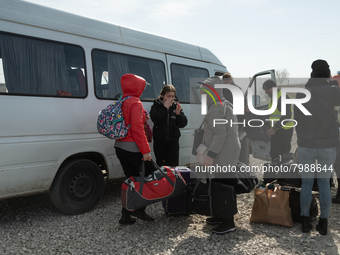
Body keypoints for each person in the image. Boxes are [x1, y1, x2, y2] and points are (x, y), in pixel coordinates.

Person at [295, 59, 340, 235]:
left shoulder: (302, 93)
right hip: (327, 146)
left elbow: (296, 120)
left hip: (306, 145)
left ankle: (305, 221)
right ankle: (323, 223)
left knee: (306, 184)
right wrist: (332, 83)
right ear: (327, 73)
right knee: (324, 184)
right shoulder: (333, 91)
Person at [200, 76, 241, 235]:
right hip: (229, 151)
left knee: (223, 186)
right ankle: (220, 215)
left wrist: (210, 155)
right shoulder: (224, 103)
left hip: (223, 153)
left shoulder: (216, 107)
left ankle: (228, 221)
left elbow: (220, 134)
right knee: (222, 184)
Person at [114, 73, 154, 225]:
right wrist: (146, 151)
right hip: (133, 148)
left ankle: (126, 215)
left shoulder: (122, 100)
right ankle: (139, 209)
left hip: (119, 146)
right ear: (137, 87)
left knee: (131, 180)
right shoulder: (135, 102)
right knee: (148, 177)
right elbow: (137, 129)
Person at [150, 85, 187, 167]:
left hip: (173, 142)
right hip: (160, 142)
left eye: (173, 96)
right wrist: (165, 107)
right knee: (162, 165)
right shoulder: (156, 105)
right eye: (168, 96)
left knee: (173, 165)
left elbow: (183, 124)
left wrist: (178, 114)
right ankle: (162, 180)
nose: (171, 98)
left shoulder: (175, 106)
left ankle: (173, 180)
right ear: (163, 95)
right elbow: (155, 119)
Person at [263, 79, 294, 163]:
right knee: (274, 154)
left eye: (267, 89)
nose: (265, 92)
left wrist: (273, 129)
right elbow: (272, 115)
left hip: (284, 131)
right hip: (277, 131)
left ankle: (284, 175)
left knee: (285, 156)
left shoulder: (282, 97)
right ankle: (275, 174)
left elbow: (287, 116)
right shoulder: (274, 98)